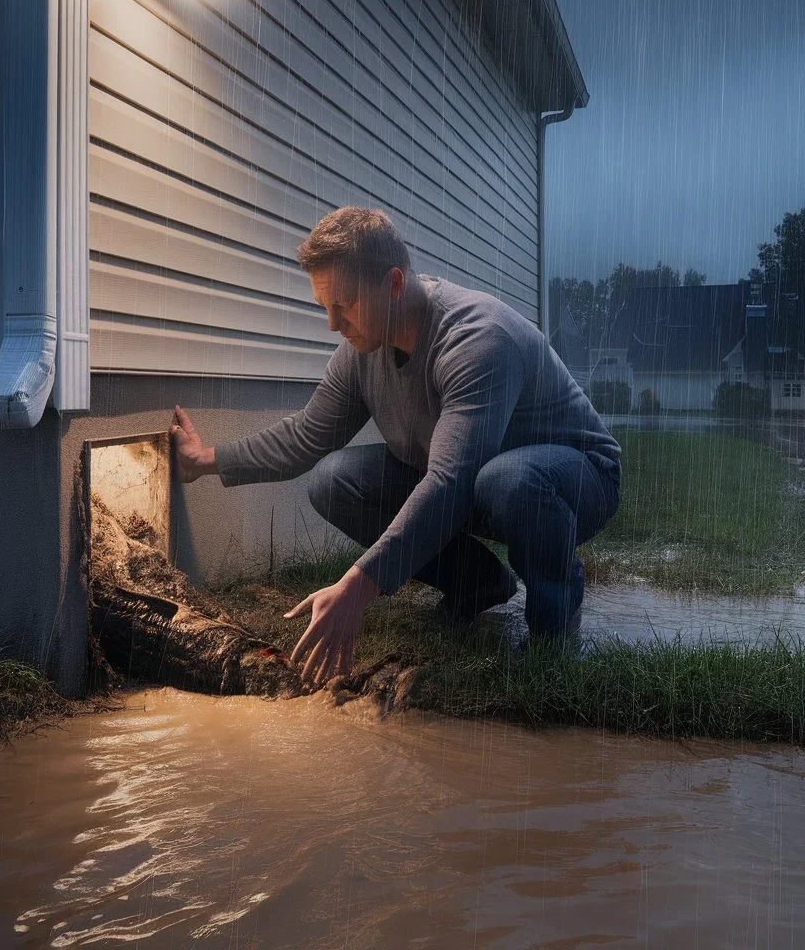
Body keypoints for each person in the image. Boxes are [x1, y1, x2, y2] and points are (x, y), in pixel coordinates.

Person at [170, 207, 621, 689]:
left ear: (394, 283)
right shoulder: (363, 349)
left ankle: (554, 624)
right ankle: (478, 585)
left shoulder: (477, 339)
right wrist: (206, 460)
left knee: (507, 481)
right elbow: (307, 436)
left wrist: (358, 587)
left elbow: (449, 483)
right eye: (324, 306)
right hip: (475, 480)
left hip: (573, 477)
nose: (331, 323)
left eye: (342, 304)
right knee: (334, 480)